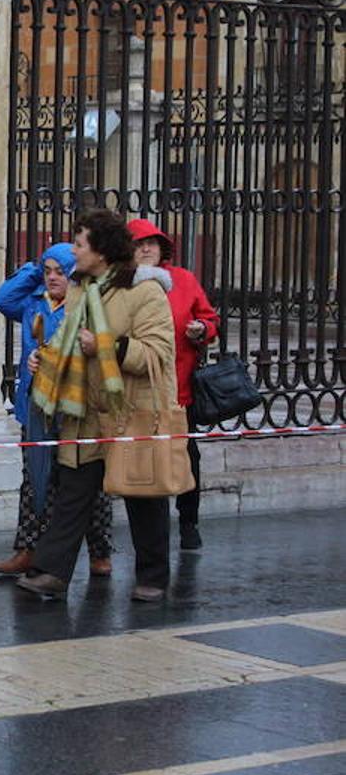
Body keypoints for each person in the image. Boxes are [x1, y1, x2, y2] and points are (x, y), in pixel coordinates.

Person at [18, 209, 178, 603]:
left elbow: (159, 353)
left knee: (143, 494)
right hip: (85, 410)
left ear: (102, 250)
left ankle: (153, 578)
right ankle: (53, 572)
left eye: (79, 243)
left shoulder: (145, 291)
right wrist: (45, 359)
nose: (74, 250)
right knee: (74, 491)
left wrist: (106, 347)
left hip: (132, 409)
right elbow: (68, 343)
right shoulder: (78, 288)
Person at [0, 244, 114, 578]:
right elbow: (2, 299)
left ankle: (100, 551)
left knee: (85, 483)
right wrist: (36, 264)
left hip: (72, 405)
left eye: (61, 271)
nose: (53, 277)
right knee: (33, 481)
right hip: (36, 405)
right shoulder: (34, 302)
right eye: (49, 271)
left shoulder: (84, 304)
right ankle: (27, 549)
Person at [128, 218, 220, 551]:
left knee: (186, 458)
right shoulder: (123, 284)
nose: (147, 249)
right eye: (139, 244)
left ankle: (188, 521)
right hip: (137, 391)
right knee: (142, 460)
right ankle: (150, 534)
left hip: (180, 390)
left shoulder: (183, 279)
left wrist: (201, 329)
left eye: (152, 243)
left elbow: (210, 319)